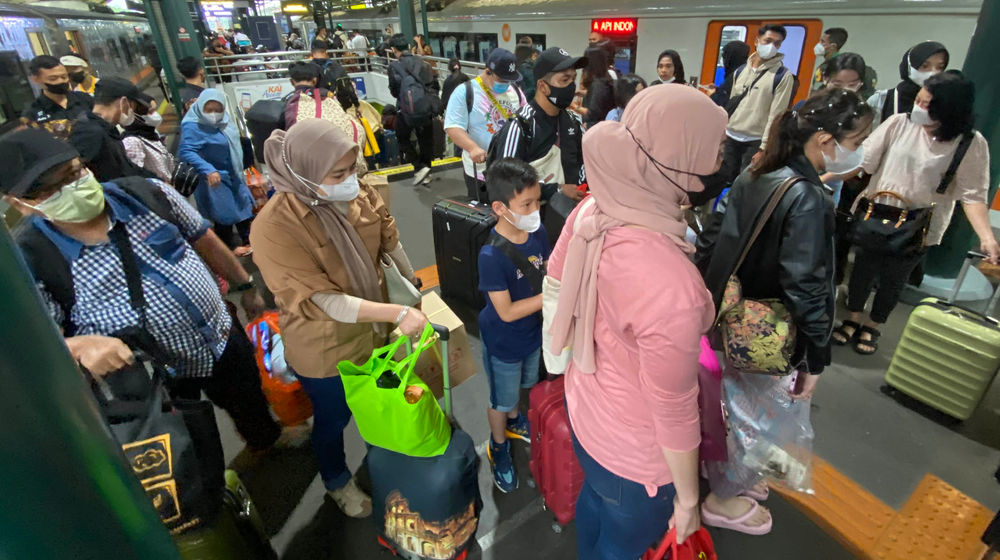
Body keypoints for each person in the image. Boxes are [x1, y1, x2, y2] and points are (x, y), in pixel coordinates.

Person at [0, 128, 298, 466]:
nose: (73, 188)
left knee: (249, 401)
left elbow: (205, 240)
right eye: (52, 188)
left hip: (218, 337)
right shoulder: (32, 258)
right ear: (19, 203)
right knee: (186, 450)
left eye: (75, 172)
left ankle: (265, 442)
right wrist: (79, 346)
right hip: (151, 376)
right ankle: (212, 495)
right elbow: (34, 342)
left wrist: (245, 287)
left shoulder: (147, 195)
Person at [545, 84, 727, 558]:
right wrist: (689, 500)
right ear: (680, 158)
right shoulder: (672, 287)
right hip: (638, 459)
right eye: (716, 146)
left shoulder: (596, 206)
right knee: (623, 543)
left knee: (595, 504)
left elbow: (558, 277)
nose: (722, 156)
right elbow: (673, 407)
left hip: (587, 412)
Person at [696, 89, 874, 535]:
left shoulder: (756, 172)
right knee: (756, 416)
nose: (858, 148)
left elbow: (713, 239)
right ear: (823, 140)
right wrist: (817, 357)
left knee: (732, 408)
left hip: (731, 314)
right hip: (770, 328)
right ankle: (722, 499)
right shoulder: (809, 199)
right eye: (855, 138)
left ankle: (729, 476)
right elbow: (808, 286)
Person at [250, 119, 425, 518]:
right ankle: (336, 481)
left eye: (353, 169)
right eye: (339, 174)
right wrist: (397, 311)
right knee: (333, 419)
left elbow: (389, 242)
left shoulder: (358, 192)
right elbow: (324, 301)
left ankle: (384, 460)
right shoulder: (275, 227)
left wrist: (414, 293)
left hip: (378, 330)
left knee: (381, 402)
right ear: (304, 174)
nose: (351, 181)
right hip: (327, 348)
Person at [834, 71, 996, 355]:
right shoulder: (899, 123)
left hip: (919, 223)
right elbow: (864, 162)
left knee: (894, 279)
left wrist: (986, 236)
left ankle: (873, 325)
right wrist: (824, 178)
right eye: (918, 100)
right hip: (877, 210)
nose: (917, 108)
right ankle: (852, 319)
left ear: (949, 109)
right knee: (861, 271)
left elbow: (973, 196)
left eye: (926, 104)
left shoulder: (970, 144)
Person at [478, 158, 549, 493]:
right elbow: (505, 312)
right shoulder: (491, 256)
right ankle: (498, 445)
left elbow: (545, 270)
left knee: (524, 384)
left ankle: (515, 421)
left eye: (537, 202)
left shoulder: (538, 233)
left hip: (531, 336)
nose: (535, 210)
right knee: (501, 399)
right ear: (500, 207)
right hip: (503, 343)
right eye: (526, 204)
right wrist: (553, 298)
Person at [704, 24, 795, 205]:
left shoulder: (782, 77)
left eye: (777, 43)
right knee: (720, 181)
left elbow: (776, 116)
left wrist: (764, 148)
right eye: (768, 41)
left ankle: (733, 222)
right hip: (730, 136)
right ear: (757, 41)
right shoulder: (741, 71)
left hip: (754, 141)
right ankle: (715, 219)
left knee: (745, 188)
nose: (771, 46)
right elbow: (730, 106)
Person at [492, 47, 588, 210]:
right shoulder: (521, 126)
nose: (571, 86)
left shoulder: (573, 122)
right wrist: (556, 189)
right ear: (542, 86)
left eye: (573, 79)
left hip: (568, 219)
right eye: (564, 80)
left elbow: (582, 164)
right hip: (533, 221)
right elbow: (504, 181)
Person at [178, 89, 254, 257]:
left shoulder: (225, 122)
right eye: (209, 109)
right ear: (200, 108)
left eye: (217, 109)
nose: (213, 114)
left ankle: (249, 240)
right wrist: (208, 169)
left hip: (232, 173)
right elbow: (186, 151)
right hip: (213, 176)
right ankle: (229, 248)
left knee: (243, 207)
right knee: (223, 214)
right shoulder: (192, 125)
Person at [444, 48, 527, 200]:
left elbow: (525, 118)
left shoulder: (515, 90)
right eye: (502, 79)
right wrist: (472, 147)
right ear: (488, 71)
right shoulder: (465, 92)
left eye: (509, 80)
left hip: (512, 171)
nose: (506, 84)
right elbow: (453, 126)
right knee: (486, 218)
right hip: (481, 173)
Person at [69, 77, 152, 182]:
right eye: (133, 107)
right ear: (124, 102)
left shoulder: (107, 128)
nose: (133, 112)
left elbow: (127, 167)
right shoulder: (91, 133)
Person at [388, 34, 440, 185]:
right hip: (425, 109)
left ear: (394, 49)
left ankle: (418, 166)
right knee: (426, 140)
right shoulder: (423, 64)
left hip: (406, 111)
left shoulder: (394, 67)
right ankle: (427, 170)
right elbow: (433, 84)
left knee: (402, 138)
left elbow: (394, 91)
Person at [867, 41, 948, 128]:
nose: (933, 73)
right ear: (909, 67)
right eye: (925, 66)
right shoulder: (882, 100)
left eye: (940, 67)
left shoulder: (945, 101)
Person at [21, 55, 94, 141]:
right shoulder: (32, 114)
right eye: (53, 78)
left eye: (64, 77)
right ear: (35, 79)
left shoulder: (84, 99)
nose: (60, 81)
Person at [122, 92, 173, 183]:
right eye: (150, 111)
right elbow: (138, 177)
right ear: (137, 115)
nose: (156, 115)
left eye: (155, 110)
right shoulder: (132, 142)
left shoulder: (150, 133)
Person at [579, 46, 615, 127]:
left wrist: (573, 107)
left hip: (595, 129)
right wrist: (580, 93)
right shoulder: (604, 79)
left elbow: (592, 113)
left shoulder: (598, 84)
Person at [707, 41, 750, 108]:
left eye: (724, 56)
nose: (723, 59)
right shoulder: (742, 72)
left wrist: (712, 95)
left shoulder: (736, 75)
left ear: (731, 57)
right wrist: (718, 89)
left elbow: (724, 102)